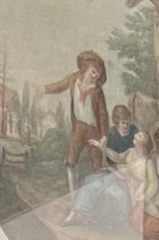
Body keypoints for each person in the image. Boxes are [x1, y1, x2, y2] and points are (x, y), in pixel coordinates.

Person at [40, 50, 109, 218]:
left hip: (93, 130)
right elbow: (60, 85)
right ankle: (73, 200)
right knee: (70, 163)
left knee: (98, 168)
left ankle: (93, 207)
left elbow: (103, 115)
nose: (96, 75)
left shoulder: (98, 91)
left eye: (98, 72)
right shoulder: (73, 80)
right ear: (84, 68)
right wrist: (43, 88)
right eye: (93, 71)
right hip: (78, 127)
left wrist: (104, 136)